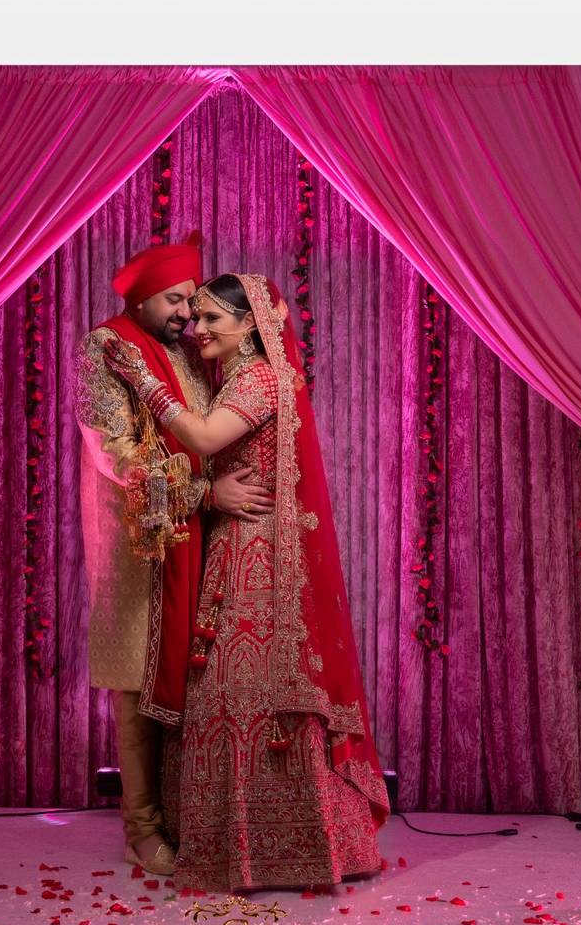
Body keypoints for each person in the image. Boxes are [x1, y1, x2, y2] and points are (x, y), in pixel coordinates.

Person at [104, 272, 389, 891]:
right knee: (225, 694)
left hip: (262, 560)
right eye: (194, 316)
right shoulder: (234, 378)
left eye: (210, 318)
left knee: (246, 692)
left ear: (249, 325)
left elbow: (205, 437)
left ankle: (283, 846)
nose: (196, 328)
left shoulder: (261, 377)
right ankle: (236, 844)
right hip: (234, 545)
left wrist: (145, 384)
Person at [74, 239, 275, 876]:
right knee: (137, 680)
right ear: (140, 299)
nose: (188, 312)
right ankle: (141, 827)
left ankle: (189, 816)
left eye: (193, 298)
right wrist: (201, 492)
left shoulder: (183, 351)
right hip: (136, 537)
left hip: (195, 530)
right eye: (175, 299)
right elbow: (116, 457)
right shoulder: (104, 348)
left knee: (191, 673)